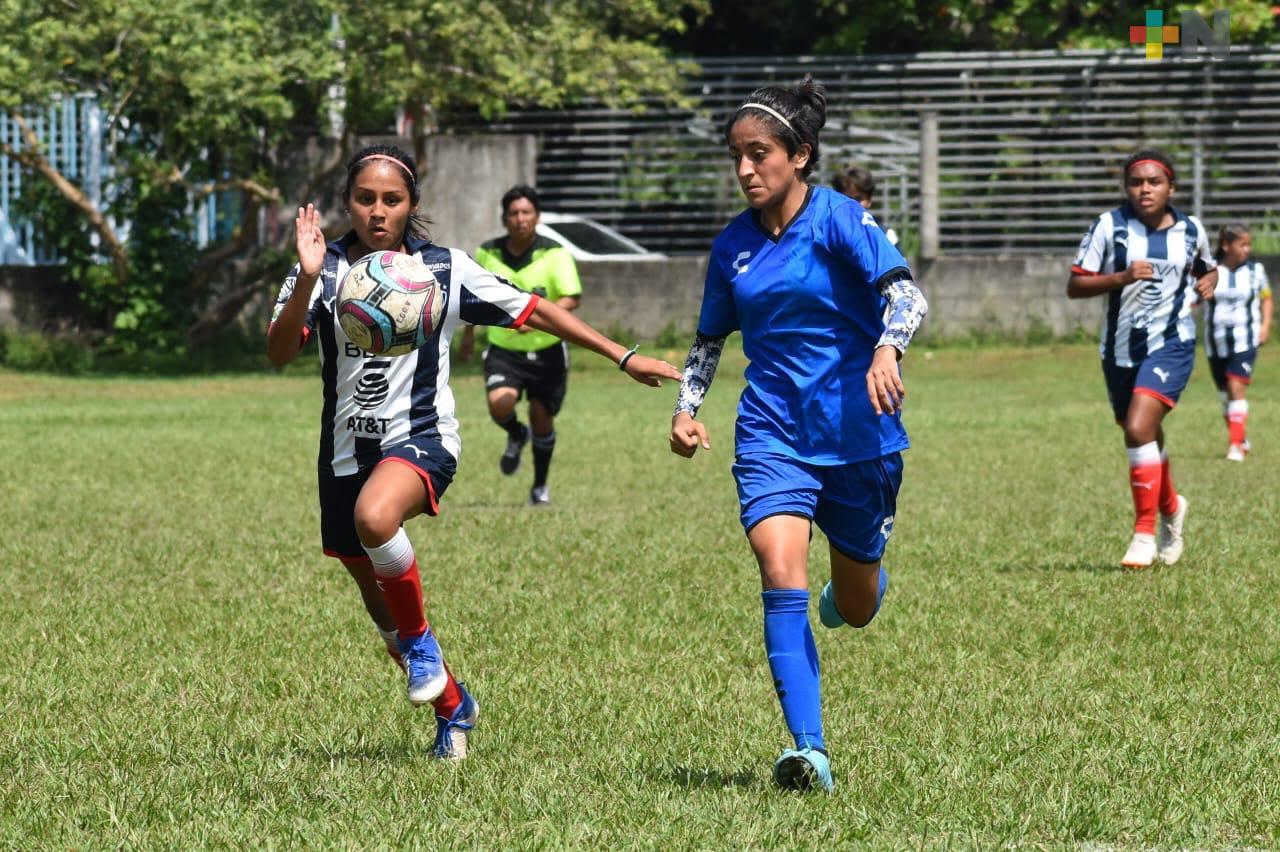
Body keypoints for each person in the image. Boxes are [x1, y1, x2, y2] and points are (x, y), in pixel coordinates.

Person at [267, 144, 680, 761]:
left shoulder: (444, 270)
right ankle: (453, 706)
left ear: (411, 205)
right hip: (344, 455)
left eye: (392, 199)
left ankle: (424, 647)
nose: (378, 212)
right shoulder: (322, 270)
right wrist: (304, 276)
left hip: (423, 438)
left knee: (378, 520)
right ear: (347, 202)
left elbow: (532, 311)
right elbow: (278, 351)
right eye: (364, 199)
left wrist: (622, 355)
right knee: (386, 618)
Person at [669, 78, 927, 793]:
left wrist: (886, 348)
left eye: (760, 155)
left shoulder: (840, 218)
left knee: (859, 605)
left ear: (800, 155)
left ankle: (849, 595)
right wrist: (687, 407)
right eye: (738, 157)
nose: (747, 169)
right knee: (779, 567)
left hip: (858, 437)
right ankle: (809, 750)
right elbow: (708, 339)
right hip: (771, 432)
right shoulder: (732, 247)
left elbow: (907, 294)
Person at [1067, 149, 1217, 569]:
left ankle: (1144, 532)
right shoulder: (1108, 226)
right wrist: (1121, 277)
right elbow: (1075, 285)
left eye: (1154, 182)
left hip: (1172, 341)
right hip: (1118, 349)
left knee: (1138, 427)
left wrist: (1209, 280)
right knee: (1143, 433)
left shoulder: (1190, 229)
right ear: (1126, 187)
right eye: (1136, 182)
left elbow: (1207, 267)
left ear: (1171, 187)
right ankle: (1172, 507)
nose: (1145, 189)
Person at [460, 185, 582, 506]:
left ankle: (540, 487)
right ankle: (516, 433)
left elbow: (572, 296)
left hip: (548, 350)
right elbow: (474, 298)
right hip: (504, 349)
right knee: (500, 403)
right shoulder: (488, 253)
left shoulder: (554, 253)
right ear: (504, 219)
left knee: (542, 416)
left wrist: (539, 317)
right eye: (513, 213)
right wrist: (469, 335)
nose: (520, 219)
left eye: (526, 212)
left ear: (537, 217)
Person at [1199, 223, 1271, 461]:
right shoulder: (1210, 271)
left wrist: (1265, 326)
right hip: (1215, 341)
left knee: (1235, 387)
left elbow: (1266, 298)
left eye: (1249, 244)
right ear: (1226, 245)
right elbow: (1194, 299)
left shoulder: (1255, 271)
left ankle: (1235, 446)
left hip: (1245, 339)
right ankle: (1241, 437)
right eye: (1243, 244)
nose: (1247, 249)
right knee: (1225, 395)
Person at [832, 164, 899, 245]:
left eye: (858, 199)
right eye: (847, 198)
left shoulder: (885, 235)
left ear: (869, 201)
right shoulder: (826, 232)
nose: (853, 204)